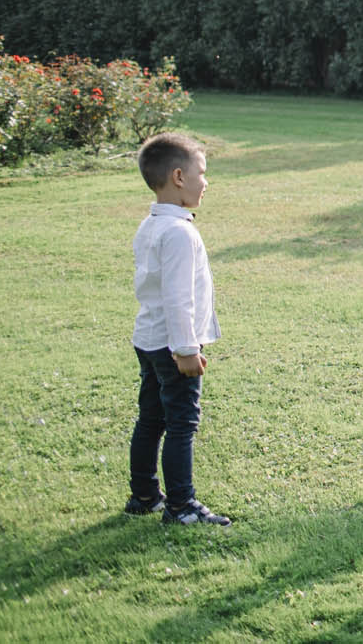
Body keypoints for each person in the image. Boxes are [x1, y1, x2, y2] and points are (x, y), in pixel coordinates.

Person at [126, 131, 229, 526]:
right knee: (182, 423)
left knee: (150, 419)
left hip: (149, 339)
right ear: (179, 177)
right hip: (173, 347)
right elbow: (178, 298)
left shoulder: (151, 225)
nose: (206, 182)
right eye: (201, 173)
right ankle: (182, 506)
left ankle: (144, 495)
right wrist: (186, 349)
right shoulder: (180, 234)